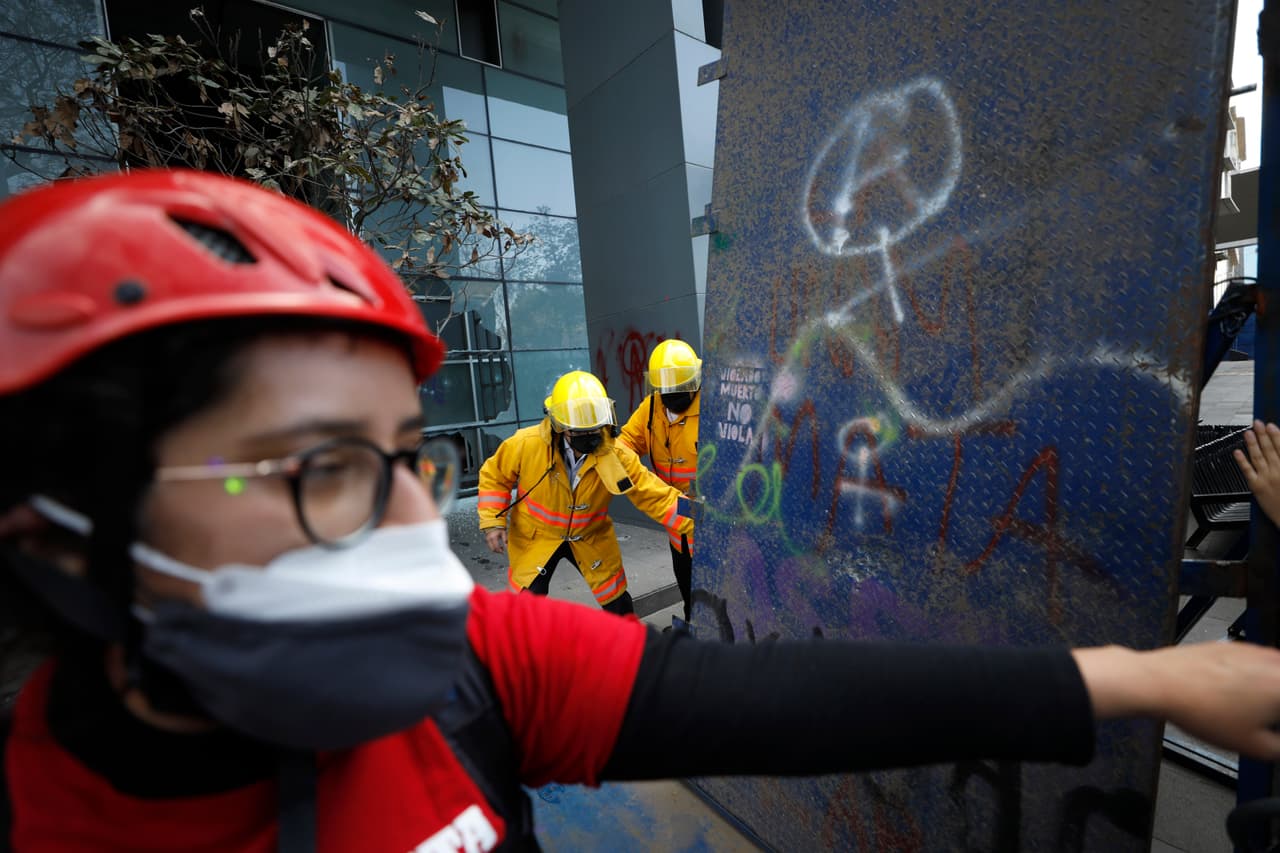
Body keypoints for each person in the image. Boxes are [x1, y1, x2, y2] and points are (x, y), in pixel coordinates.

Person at [4, 171, 1280, 853]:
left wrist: (1138, 678)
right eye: (320, 465)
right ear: (63, 536)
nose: (399, 525)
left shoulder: (471, 673)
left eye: (404, 457)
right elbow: (574, 485)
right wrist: (560, 520)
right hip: (544, 535)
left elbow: (775, 701)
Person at [477, 370, 692, 615]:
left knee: (618, 604)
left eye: (595, 428)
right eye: (580, 431)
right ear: (560, 426)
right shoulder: (526, 444)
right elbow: (495, 476)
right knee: (526, 602)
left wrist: (703, 521)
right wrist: (492, 522)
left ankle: (626, 639)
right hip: (537, 536)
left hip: (589, 535)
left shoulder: (615, 456)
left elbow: (656, 495)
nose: (590, 436)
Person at [618, 339, 701, 621]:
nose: (674, 394)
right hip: (675, 520)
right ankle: (692, 627)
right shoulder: (651, 407)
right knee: (687, 585)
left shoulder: (712, 405)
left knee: (715, 593)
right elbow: (626, 443)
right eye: (668, 388)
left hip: (708, 519)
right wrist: (638, 475)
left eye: (682, 387)